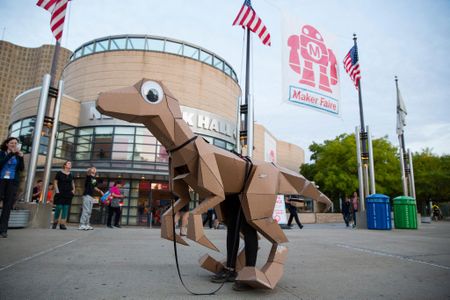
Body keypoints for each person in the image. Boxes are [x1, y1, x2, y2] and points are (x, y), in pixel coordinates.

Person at [210, 194, 258, 291]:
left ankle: (249, 273)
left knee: (249, 227)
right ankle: (230, 269)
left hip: (249, 189)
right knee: (232, 226)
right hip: (232, 191)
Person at [0, 137, 24, 238]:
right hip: (1, 180)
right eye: (12, 143)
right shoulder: (1, 153)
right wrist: (11, 153)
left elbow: (21, 168)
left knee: (7, 206)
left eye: (15, 143)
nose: (14, 144)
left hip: (12, 182)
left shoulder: (18, 156)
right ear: (7, 144)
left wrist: (21, 157)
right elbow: (1, 163)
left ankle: (3, 230)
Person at [53, 161, 75, 230]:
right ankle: (55, 222)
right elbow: (55, 182)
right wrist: (57, 191)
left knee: (65, 208)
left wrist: (74, 190)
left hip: (68, 193)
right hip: (60, 192)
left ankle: (62, 224)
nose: (70, 164)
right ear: (65, 165)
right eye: (68, 163)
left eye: (70, 164)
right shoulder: (59, 173)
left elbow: (72, 182)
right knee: (59, 207)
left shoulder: (71, 174)